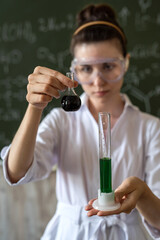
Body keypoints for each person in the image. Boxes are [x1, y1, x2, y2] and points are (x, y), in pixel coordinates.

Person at [1, 3, 160, 240]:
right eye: (86, 69)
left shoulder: (151, 128)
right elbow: (16, 172)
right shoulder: (61, 122)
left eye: (108, 66)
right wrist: (35, 107)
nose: (98, 81)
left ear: (125, 63)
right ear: (74, 71)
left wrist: (144, 194)